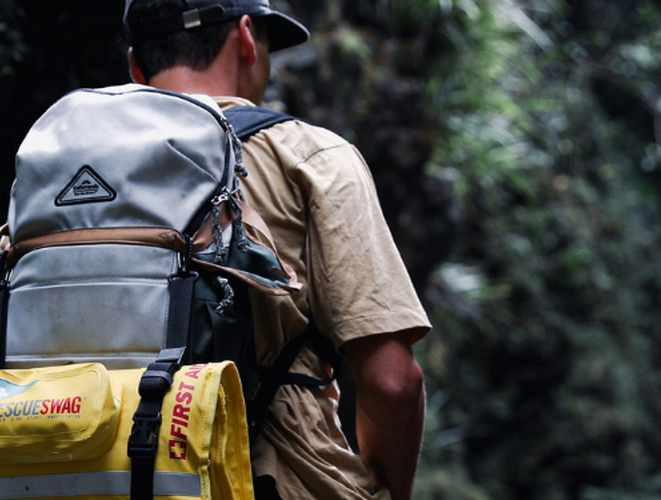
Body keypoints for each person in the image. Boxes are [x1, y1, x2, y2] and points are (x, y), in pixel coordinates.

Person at [123, 2, 432, 499]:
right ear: (247, 37)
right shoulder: (311, 158)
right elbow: (392, 382)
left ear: (137, 67)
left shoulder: (63, 175)